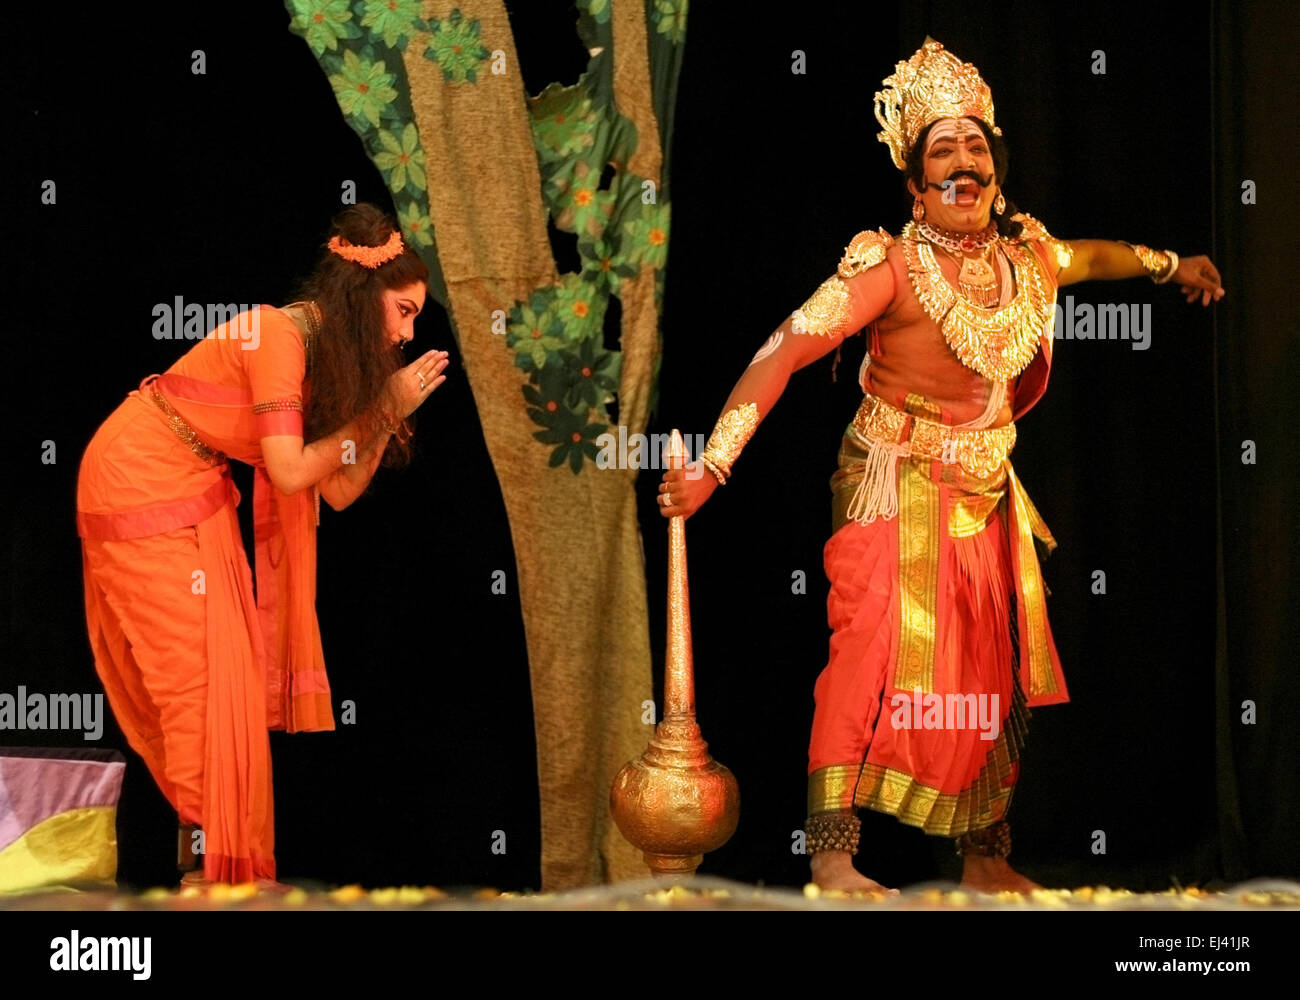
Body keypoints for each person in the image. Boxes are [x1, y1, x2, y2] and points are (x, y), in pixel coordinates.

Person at [658, 39, 1225, 894]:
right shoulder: (887, 271)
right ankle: (833, 857)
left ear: (995, 165)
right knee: (866, 653)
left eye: (973, 147)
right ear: (915, 184)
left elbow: (1097, 257)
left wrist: (1173, 266)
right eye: (940, 153)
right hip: (892, 478)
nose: (962, 165)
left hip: (985, 488)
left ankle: (987, 859)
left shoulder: (1028, 260)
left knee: (990, 669)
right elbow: (781, 352)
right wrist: (714, 465)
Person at [76, 204, 448, 888]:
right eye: (402, 311)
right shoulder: (277, 334)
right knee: (196, 682)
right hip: (138, 476)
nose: (406, 332)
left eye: (415, 318)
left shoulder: (328, 355)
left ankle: (221, 867)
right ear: (364, 299)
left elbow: (333, 489)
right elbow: (287, 471)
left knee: (225, 686)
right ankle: (219, 868)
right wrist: (381, 410)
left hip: (194, 485)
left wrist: (383, 415)